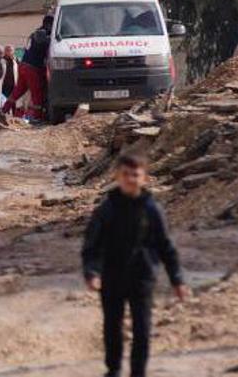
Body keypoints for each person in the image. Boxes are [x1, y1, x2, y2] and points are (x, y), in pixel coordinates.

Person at [82, 153, 188, 377]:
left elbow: (165, 245)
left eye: (135, 175)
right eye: (125, 175)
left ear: (144, 178)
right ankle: (114, 369)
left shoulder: (152, 210)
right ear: (117, 176)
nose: (130, 179)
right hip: (112, 276)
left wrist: (176, 279)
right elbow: (92, 244)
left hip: (142, 276)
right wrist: (92, 272)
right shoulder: (106, 209)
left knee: (142, 328)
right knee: (112, 326)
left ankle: (138, 372)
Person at [1, 16, 53, 121]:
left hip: (24, 65)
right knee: (37, 92)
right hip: (32, 68)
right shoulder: (42, 33)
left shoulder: (34, 34)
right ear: (49, 24)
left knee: (19, 90)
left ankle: (3, 111)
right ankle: (38, 117)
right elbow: (47, 43)